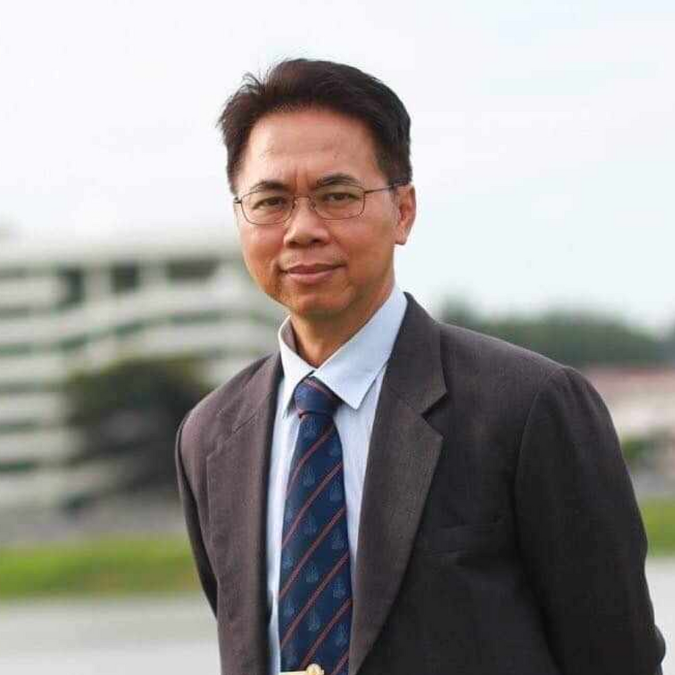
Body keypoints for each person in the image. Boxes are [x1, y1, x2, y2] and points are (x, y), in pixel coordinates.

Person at [175, 58, 665, 675]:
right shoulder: (211, 437)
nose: (302, 230)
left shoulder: (529, 407)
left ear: (403, 211)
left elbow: (616, 656)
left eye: (337, 196)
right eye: (270, 201)